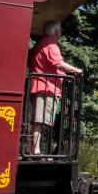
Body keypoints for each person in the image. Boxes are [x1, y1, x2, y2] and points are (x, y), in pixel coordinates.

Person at [27, 20, 82, 157]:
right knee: (39, 120)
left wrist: (65, 75)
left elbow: (50, 67)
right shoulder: (51, 44)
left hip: (38, 85)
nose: (61, 32)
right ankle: (35, 151)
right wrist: (77, 71)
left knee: (35, 120)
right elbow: (57, 63)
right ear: (56, 31)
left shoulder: (42, 43)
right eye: (60, 30)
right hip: (45, 87)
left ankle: (30, 149)